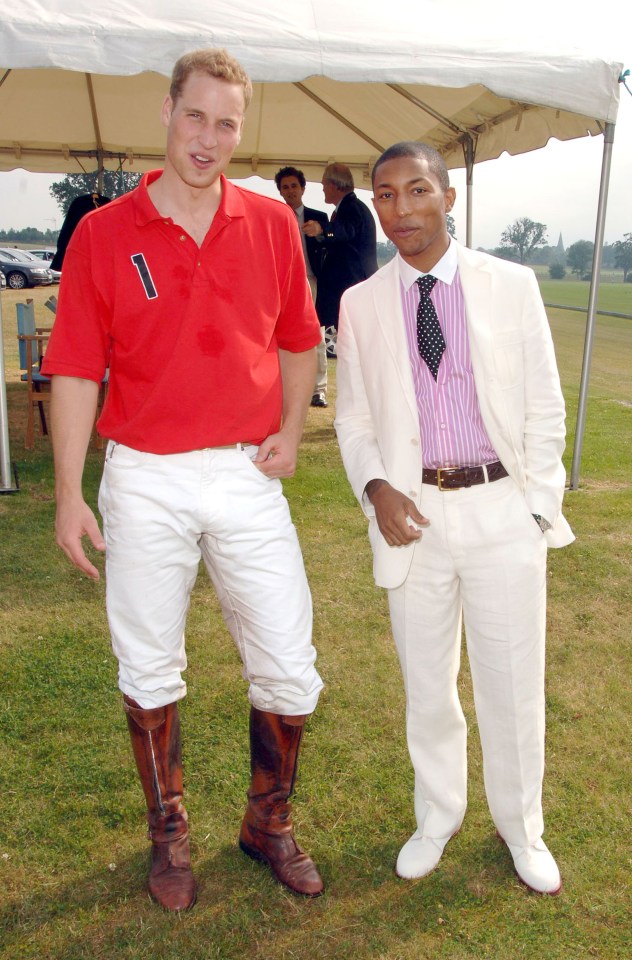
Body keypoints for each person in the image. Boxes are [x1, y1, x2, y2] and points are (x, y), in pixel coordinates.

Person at [42, 48, 325, 912]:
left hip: (244, 475)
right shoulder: (102, 233)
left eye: (227, 124)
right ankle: (169, 836)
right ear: (167, 113)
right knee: (149, 663)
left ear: (244, 132)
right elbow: (78, 370)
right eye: (196, 117)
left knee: (289, 664)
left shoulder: (274, 223)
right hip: (145, 477)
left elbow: (300, 337)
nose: (209, 138)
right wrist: (65, 494)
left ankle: (265, 825)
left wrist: (289, 431)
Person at [334, 141, 574, 896]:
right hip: (415, 518)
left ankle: (520, 827)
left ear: (448, 196)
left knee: (510, 683)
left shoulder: (511, 284)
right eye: (385, 195)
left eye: (416, 191)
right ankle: (437, 814)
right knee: (427, 686)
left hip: (502, 508)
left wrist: (534, 507)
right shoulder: (360, 302)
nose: (401, 209)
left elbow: (543, 404)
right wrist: (377, 489)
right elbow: (354, 419)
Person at [303, 162, 378, 342]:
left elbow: (345, 230)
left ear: (333, 185)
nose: (322, 190)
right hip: (352, 286)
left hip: (352, 285)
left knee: (353, 343)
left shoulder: (352, 208)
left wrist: (322, 228)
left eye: (323, 185)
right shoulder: (350, 207)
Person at [274, 166, 330, 407]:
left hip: (311, 281)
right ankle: (282, 387)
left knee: (315, 335)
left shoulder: (318, 216)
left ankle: (319, 389)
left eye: (294, 186)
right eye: (285, 187)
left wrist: (317, 235)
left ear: (303, 188)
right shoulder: (273, 216)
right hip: (280, 284)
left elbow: (330, 245)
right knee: (279, 335)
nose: (290, 191)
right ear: (280, 191)